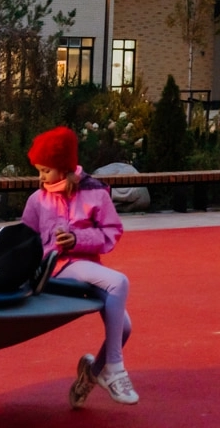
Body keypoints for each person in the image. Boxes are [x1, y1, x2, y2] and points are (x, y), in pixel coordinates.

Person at [23, 126, 137, 408]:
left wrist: (77, 239)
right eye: (39, 171)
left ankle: (91, 374)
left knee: (124, 327)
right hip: (57, 268)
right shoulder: (37, 200)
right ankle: (114, 368)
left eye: (45, 171)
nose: (40, 177)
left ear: (64, 168)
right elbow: (26, 241)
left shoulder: (96, 194)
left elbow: (111, 232)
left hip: (86, 266)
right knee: (119, 282)